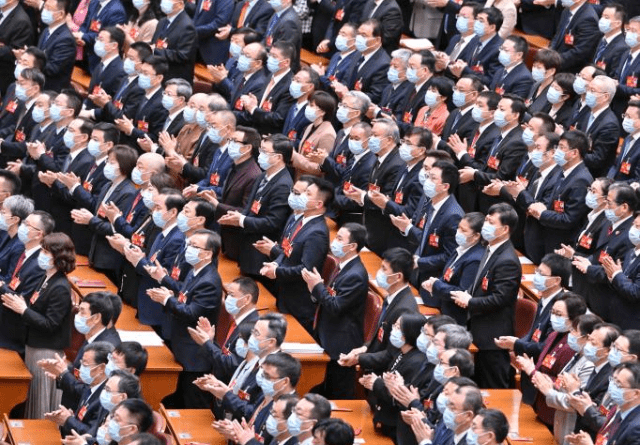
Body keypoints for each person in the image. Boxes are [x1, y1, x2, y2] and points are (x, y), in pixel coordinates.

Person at [2, 232, 75, 418]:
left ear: (58, 257)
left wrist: (23, 310)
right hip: (33, 346)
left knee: (40, 405)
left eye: (46, 252)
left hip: (45, 351)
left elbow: (50, 324)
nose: (41, 255)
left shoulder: (60, 287)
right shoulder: (46, 278)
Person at [147, 229, 222, 408]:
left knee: (192, 405)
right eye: (189, 244)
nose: (188, 249)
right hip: (182, 346)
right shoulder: (196, 271)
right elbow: (184, 294)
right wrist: (166, 284)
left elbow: (192, 314)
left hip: (194, 356)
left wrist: (167, 300)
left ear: (207, 253)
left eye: (194, 246)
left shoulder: (209, 282)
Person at [451, 203, 521, 388]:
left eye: (491, 222)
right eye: (486, 220)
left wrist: (470, 301)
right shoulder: (491, 248)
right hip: (478, 329)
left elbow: (500, 298)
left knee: (493, 388)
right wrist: (467, 293)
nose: (485, 225)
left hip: (493, 338)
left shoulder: (507, 260)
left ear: (504, 229)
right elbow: (482, 283)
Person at [303, 222, 368, 399]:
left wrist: (317, 287)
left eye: (340, 239)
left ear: (352, 246)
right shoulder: (342, 266)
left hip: (341, 345)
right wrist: (316, 290)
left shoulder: (355, 275)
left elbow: (335, 307)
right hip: (327, 334)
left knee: (337, 396)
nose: (334, 242)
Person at [338, 247, 419, 374]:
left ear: (398, 276)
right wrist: (364, 348)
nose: (379, 272)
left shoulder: (405, 310)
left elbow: (392, 353)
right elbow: (381, 336)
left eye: (384, 269)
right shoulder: (392, 297)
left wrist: (359, 358)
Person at [515, 293, 588, 427]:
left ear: (574, 318)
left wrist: (532, 371)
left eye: (558, 314)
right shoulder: (554, 335)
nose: (553, 317)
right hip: (539, 404)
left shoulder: (573, 345)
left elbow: (563, 382)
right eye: (552, 312)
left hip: (555, 413)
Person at [533, 314, 601, 445]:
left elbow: (577, 402)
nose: (570, 334)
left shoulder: (590, 364)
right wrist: (551, 384)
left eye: (574, 331)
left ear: (587, 337)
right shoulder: (577, 355)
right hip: (561, 423)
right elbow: (564, 384)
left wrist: (549, 392)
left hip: (573, 426)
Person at [360, 313, 426, 439]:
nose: (393, 329)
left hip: (397, 427)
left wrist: (376, 383)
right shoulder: (401, 352)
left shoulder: (416, 361)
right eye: (394, 325)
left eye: (398, 327)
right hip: (385, 419)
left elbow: (400, 395)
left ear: (409, 332)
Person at [0, 211, 54, 353]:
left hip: (13, 335)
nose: (22, 226)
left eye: (26, 224)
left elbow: (22, 301)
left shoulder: (39, 264)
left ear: (38, 234)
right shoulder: (27, 254)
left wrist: (1, 286)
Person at [423, 211, 485, 324]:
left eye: (464, 230)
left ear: (476, 236)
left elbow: (461, 292)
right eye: (459, 228)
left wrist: (436, 285)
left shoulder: (475, 260)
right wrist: (435, 282)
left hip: (457, 318)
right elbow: (447, 275)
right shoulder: (460, 248)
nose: (458, 232)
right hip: (445, 308)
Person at [54, 341, 114, 436]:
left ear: (101, 368)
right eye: (81, 362)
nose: (81, 368)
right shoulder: (90, 386)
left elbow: (92, 435)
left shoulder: (105, 399)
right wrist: (71, 417)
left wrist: (68, 420)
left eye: (85, 365)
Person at [149, 0, 197, 82]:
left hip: (174, 78)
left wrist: (155, 51)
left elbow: (182, 56)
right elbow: (154, 43)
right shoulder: (162, 21)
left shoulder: (187, 27)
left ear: (180, 4)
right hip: (158, 72)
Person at [0, 195, 33, 283]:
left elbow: (9, 279)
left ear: (15, 219)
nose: (0, 214)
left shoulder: (20, 246)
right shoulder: (5, 233)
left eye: (3, 213)